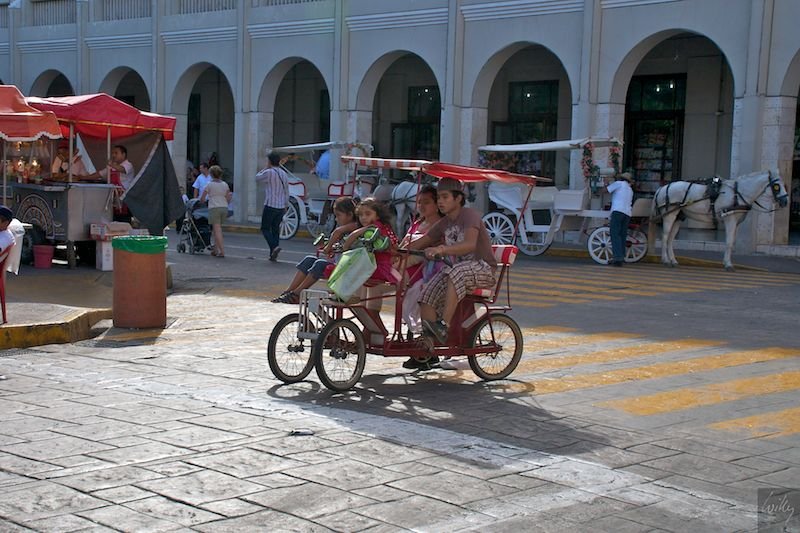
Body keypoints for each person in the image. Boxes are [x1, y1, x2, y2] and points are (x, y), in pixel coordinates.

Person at [409, 177, 497, 345]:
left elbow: (470, 244)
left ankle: (444, 325)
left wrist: (442, 249)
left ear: (458, 198)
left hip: (483, 269)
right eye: (438, 198)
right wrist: (396, 250)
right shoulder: (444, 222)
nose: (440, 202)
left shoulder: (469, 215)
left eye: (445, 197)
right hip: (457, 272)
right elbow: (423, 241)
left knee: (454, 271)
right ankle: (428, 345)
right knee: (426, 296)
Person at [272, 197, 359, 304]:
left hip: (347, 268)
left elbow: (337, 232)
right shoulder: (346, 227)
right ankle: (288, 292)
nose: (336, 219)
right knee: (309, 260)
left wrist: (328, 247)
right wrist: (330, 248)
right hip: (339, 263)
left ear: (350, 215)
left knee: (320, 264)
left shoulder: (354, 226)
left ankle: (296, 294)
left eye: (338, 215)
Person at [399, 185, 444, 369]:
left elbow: (416, 248)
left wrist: (401, 258)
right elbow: (403, 246)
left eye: (426, 202)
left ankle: (425, 348)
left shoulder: (439, 225)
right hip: (409, 266)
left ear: (437, 204)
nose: (421, 206)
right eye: (419, 202)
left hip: (427, 271)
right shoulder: (417, 223)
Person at [87, 145, 135, 222]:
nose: (113, 155)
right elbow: (99, 174)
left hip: (125, 199)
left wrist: (111, 164)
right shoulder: (111, 167)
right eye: (113, 153)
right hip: (114, 198)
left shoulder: (128, 165)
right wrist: (84, 177)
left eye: (116, 153)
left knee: (123, 221)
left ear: (123, 154)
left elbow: (122, 169)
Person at [256, 151, 289, 262]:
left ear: (270, 161)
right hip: (280, 206)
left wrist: (266, 167)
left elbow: (257, 178)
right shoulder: (283, 174)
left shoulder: (269, 172)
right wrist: (286, 204)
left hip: (270, 204)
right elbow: (286, 191)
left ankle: (274, 247)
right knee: (275, 229)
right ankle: (273, 253)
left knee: (265, 228)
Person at [200, 165, 232, 258]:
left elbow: (202, 198)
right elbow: (228, 197)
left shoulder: (209, 185)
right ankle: (215, 249)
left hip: (214, 207)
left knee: (217, 230)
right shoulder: (225, 184)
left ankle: (222, 251)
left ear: (211, 174)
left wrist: (203, 201)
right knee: (217, 229)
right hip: (224, 207)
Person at [605, 172, 634, 267]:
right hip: (627, 213)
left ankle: (617, 257)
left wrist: (606, 183)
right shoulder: (630, 189)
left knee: (615, 234)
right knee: (622, 235)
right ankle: (621, 256)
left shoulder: (618, 184)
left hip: (618, 211)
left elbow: (606, 190)